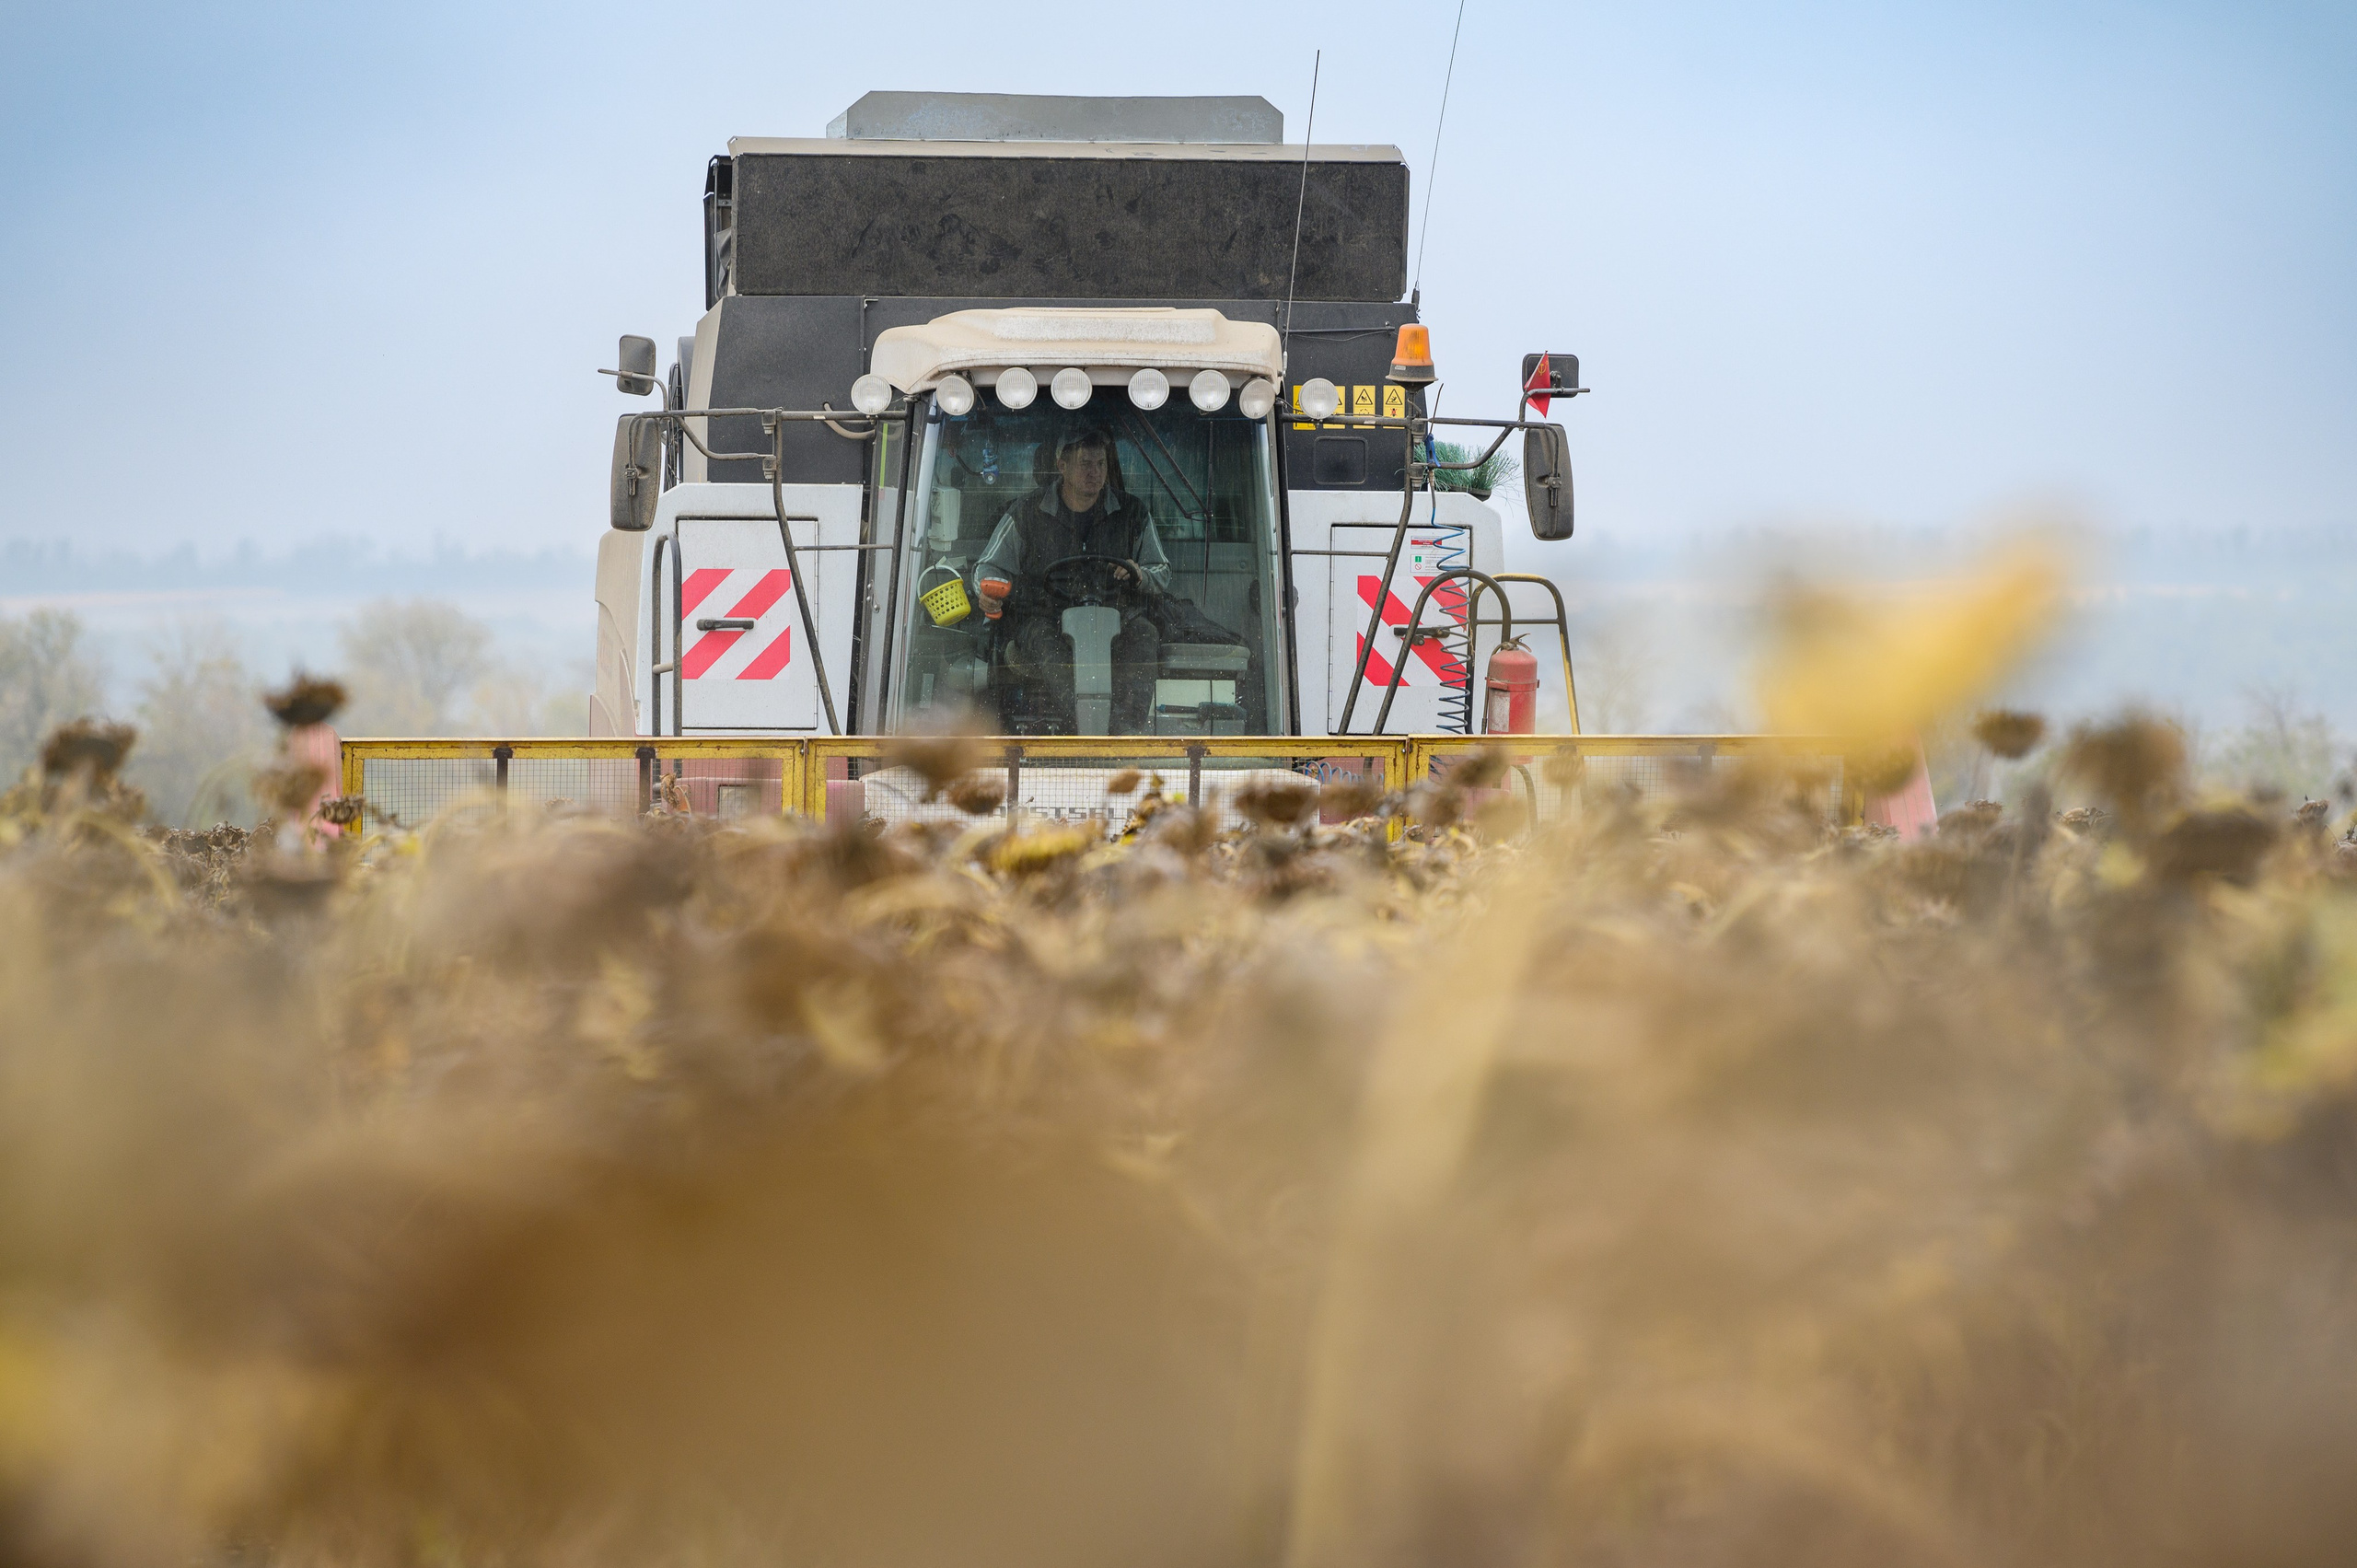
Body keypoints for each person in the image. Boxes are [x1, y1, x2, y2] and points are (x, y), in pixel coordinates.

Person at [968, 424, 1174, 729]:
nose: (1095, 472)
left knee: (1145, 635)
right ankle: (1081, 734)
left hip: (1116, 616)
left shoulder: (1133, 512)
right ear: (1061, 466)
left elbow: (1162, 571)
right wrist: (986, 592)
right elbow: (988, 567)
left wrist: (1138, 573)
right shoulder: (1026, 512)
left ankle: (1126, 733)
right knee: (1045, 643)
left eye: (1101, 464)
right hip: (1045, 616)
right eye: (1085, 463)